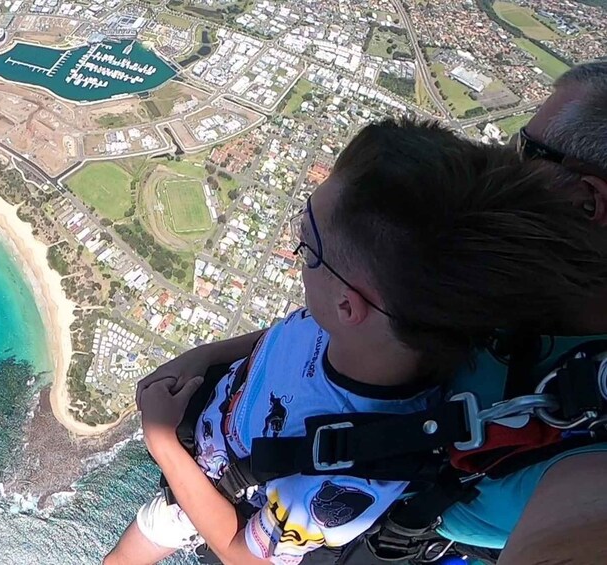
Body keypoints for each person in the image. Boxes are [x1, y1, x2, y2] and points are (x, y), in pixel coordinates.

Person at [101, 118, 607, 565]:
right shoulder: (367, 328)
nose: (298, 255)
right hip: (216, 437)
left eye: (307, 246)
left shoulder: (352, 476)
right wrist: (205, 355)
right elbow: (287, 335)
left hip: (217, 489)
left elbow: (243, 555)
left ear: (349, 304)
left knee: (125, 556)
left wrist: (163, 442)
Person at [436, 61, 607, 564]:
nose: (509, 162)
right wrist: (213, 355)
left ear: (587, 200)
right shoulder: (532, 269)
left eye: (527, 151)